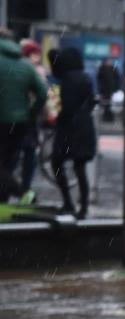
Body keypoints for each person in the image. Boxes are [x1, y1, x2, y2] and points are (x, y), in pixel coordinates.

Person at [48, 47, 96, 218]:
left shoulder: (67, 79)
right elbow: (92, 102)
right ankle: (83, 207)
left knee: (56, 162)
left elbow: (67, 107)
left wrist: (57, 121)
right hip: (85, 127)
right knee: (80, 167)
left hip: (69, 129)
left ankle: (68, 202)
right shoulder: (86, 77)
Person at [0, 29, 47, 203]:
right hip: (20, 123)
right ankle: (3, 200)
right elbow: (42, 93)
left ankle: (23, 194)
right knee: (8, 163)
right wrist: (30, 114)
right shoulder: (25, 64)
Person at [96, 56, 120, 122]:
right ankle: (106, 117)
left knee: (110, 104)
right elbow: (99, 80)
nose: (109, 62)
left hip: (111, 90)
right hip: (104, 90)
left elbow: (117, 78)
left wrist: (116, 88)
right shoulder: (102, 69)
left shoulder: (113, 68)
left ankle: (109, 117)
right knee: (106, 104)